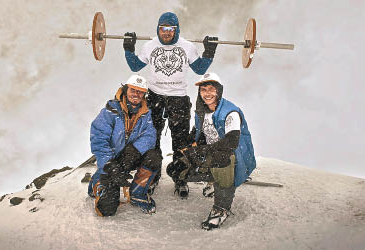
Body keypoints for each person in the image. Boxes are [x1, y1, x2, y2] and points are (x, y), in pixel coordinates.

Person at [122, 12, 218, 195]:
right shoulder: (150, 46)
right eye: (162, 29)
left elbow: (199, 69)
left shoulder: (187, 47)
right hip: (155, 97)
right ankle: (153, 176)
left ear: (176, 30)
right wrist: (128, 48)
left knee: (181, 140)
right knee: (152, 137)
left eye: (170, 29)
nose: (166, 33)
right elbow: (135, 66)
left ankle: (180, 178)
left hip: (178, 98)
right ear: (158, 29)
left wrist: (209, 51)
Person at [166, 72, 256, 230]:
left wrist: (200, 152)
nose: (207, 93)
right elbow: (198, 133)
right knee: (177, 169)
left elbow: (231, 142)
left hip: (234, 156)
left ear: (219, 91)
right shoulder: (202, 111)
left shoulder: (230, 112)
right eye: (203, 90)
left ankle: (221, 208)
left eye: (211, 89)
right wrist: (185, 152)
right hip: (212, 153)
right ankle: (214, 181)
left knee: (222, 158)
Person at [87, 75, 162, 216]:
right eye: (133, 90)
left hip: (129, 157)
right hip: (111, 161)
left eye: (140, 91)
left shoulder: (146, 113)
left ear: (144, 94)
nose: (136, 94)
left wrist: (132, 151)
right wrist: (109, 164)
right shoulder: (110, 111)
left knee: (154, 156)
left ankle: (137, 193)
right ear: (126, 90)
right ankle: (96, 184)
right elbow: (98, 139)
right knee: (107, 209)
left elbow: (150, 137)